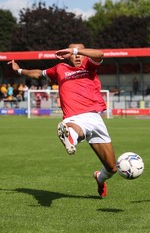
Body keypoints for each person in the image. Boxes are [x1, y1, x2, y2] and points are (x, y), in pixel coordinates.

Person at [8, 43, 117, 198]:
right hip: (74, 117)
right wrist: (19, 70)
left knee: (112, 168)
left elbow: (100, 54)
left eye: (80, 52)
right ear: (67, 56)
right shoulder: (60, 69)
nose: (78, 56)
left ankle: (99, 178)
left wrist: (76, 50)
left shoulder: (89, 65)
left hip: (95, 118)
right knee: (74, 129)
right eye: (73, 54)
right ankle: (69, 136)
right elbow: (38, 73)